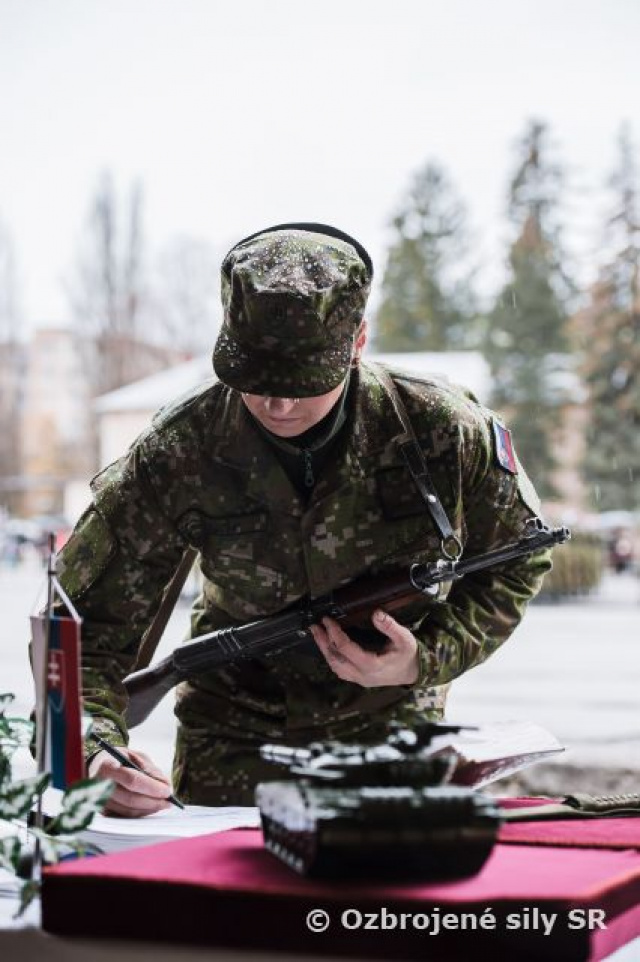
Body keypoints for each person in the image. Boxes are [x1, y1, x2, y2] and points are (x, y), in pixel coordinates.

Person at [55, 222, 551, 816]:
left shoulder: (441, 430)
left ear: (359, 340)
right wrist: (94, 753)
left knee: (376, 901)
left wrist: (427, 656)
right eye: (256, 377)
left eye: (302, 380)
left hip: (390, 733)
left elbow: (520, 557)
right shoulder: (178, 449)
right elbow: (79, 631)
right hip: (231, 741)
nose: (278, 403)